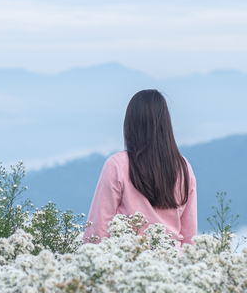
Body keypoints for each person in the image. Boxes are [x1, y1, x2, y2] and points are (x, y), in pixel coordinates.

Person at [84, 89, 197, 248]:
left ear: (130, 124)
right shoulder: (183, 168)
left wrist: (88, 262)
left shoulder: (117, 164)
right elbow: (190, 237)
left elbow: (98, 228)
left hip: (130, 262)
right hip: (173, 264)